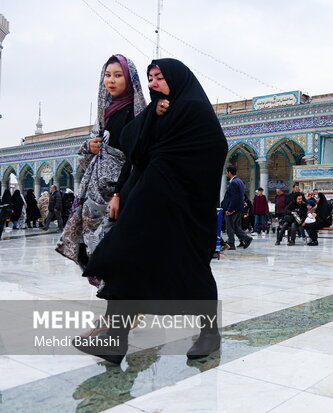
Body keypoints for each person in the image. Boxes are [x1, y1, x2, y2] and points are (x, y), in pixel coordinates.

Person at [78, 58, 228, 363]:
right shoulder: (157, 110)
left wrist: (172, 171)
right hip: (147, 204)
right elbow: (134, 145)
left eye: (159, 77)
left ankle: (209, 333)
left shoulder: (194, 110)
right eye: (150, 78)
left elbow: (213, 150)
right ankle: (116, 340)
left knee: (192, 269)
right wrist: (153, 118)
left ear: (176, 78)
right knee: (127, 262)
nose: (153, 83)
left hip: (182, 210)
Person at [56, 54, 149, 278]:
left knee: (113, 251)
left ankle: (124, 308)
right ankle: (113, 306)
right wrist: (90, 146)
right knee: (94, 251)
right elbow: (87, 158)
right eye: (107, 75)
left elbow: (137, 158)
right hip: (95, 196)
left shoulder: (137, 115)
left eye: (118, 75)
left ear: (130, 79)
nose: (111, 80)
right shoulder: (104, 114)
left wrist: (119, 192)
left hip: (119, 194)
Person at [222, 166, 252, 250]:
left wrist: (230, 209)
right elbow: (240, 196)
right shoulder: (240, 181)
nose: (226, 174)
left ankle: (231, 244)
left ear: (229, 173)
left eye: (226, 172)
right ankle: (246, 239)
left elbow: (234, 197)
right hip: (238, 208)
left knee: (229, 227)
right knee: (235, 227)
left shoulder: (234, 183)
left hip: (233, 209)